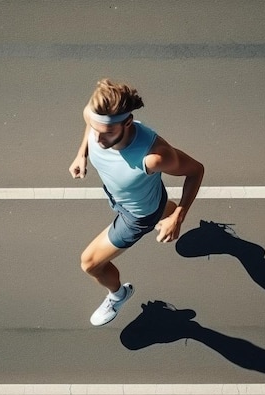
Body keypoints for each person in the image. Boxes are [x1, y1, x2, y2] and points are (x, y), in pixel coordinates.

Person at [68, 78, 204, 326]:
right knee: (161, 207)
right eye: (94, 127)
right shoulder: (96, 119)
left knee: (89, 263)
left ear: (128, 122)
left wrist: (179, 218)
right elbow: (92, 127)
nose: (98, 139)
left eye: (107, 132)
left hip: (137, 216)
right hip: (122, 195)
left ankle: (118, 295)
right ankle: (166, 213)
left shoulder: (154, 157)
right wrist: (81, 154)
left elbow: (196, 170)